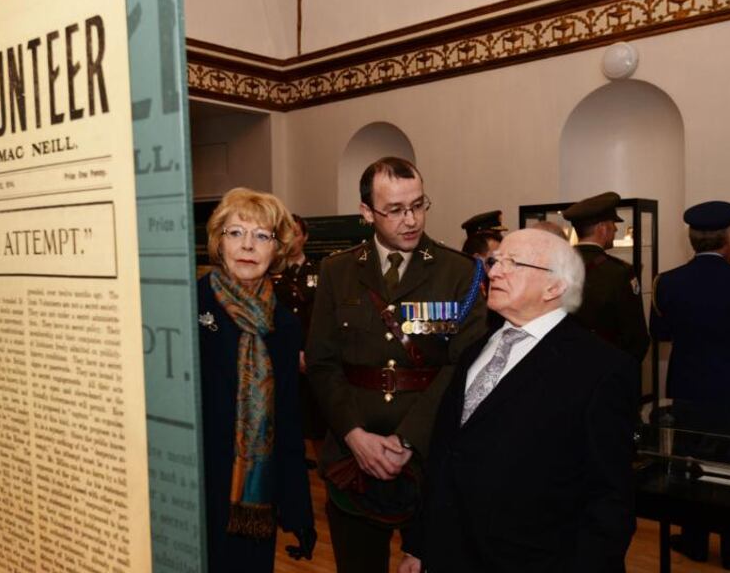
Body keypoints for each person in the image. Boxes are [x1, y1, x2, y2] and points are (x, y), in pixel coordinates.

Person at [400, 228, 639, 573]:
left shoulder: (600, 370)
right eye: (495, 261)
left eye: (513, 263)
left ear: (554, 286)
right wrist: (419, 545)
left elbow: (609, 500)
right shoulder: (473, 352)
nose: (494, 271)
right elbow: (445, 455)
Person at [306, 156, 487, 573]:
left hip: (429, 457)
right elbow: (322, 363)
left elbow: (464, 366)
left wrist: (407, 441)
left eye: (419, 205)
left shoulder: (459, 272)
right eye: (395, 210)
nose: (411, 220)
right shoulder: (337, 270)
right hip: (352, 456)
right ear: (367, 212)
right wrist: (354, 435)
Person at [650, 200, 730, 569]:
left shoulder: (669, 282)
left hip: (689, 386)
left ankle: (694, 541)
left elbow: (660, 332)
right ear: (727, 241)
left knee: (691, 465)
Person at [196, 188, 315, 572]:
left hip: (255, 497)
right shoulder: (189, 305)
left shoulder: (284, 325)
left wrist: (298, 507)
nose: (247, 245)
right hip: (195, 490)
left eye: (261, 236)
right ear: (218, 241)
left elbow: (288, 422)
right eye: (235, 233)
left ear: (276, 247)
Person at [563, 192, 649, 363]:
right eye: (613, 225)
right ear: (602, 228)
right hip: (605, 364)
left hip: (564, 362)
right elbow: (635, 336)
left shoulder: (555, 265)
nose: (616, 230)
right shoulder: (620, 272)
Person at [270, 214, 326, 454]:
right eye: (285, 233)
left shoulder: (321, 271)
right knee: (285, 424)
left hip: (313, 361)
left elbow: (325, 319)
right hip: (282, 361)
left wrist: (311, 353)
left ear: (305, 237)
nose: (290, 239)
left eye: (295, 232)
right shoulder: (269, 275)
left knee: (318, 426)